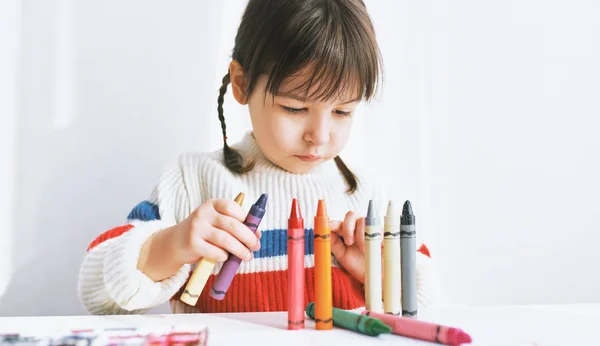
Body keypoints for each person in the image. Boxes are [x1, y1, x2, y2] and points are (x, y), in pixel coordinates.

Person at [78, 0, 438, 315]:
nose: (320, 135)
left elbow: (428, 301)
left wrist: (379, 275)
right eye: (295, 108)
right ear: (241, 83)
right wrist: (173, 244)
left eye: (343, 112)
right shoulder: (194, 179)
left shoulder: (365, 193)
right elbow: (96, 291)